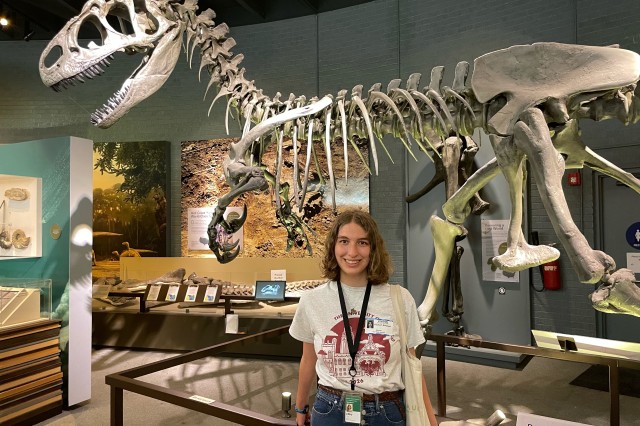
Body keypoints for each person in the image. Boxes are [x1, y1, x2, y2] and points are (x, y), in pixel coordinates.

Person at [290, 209, 438, 426]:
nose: (352, 252)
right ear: (333, 246)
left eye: (362, 243)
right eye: (344, 241)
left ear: (373, 249)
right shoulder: (312, 300)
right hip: (329, 408)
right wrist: (301, 407)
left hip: (386, 411)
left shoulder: (400, 298)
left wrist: (430, 421)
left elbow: (413, 367)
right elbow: (308, 359)